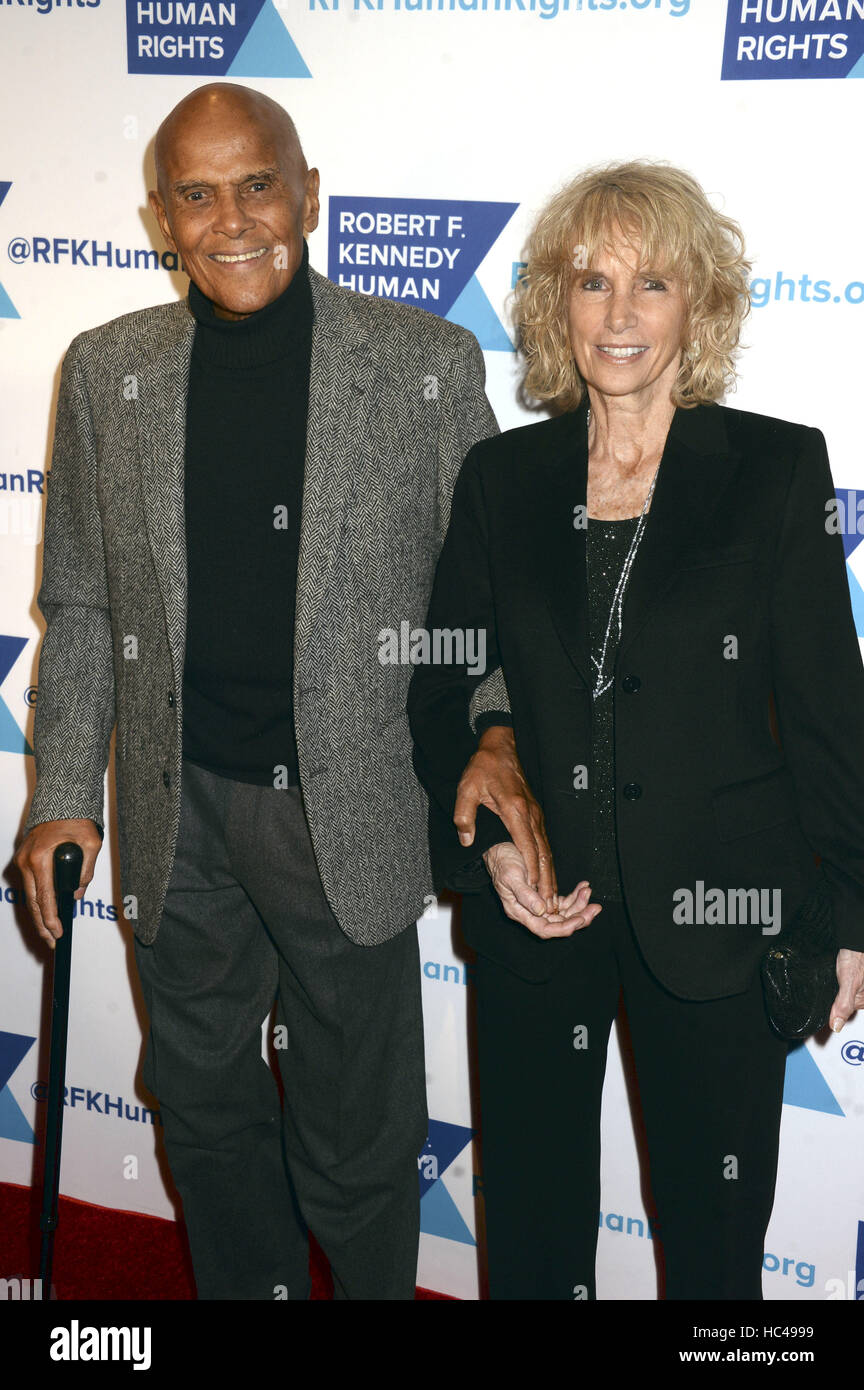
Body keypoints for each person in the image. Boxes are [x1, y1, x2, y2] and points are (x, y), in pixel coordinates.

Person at [13, 82, 543, 1301]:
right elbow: (85, 603)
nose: (232, 217)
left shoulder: (422, 363)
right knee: (201, 1107)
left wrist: (495, 727)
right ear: (162, 220)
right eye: (196, 194)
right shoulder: (107, 372)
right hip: (176, 802)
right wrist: (57, 789)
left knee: (357, 1132)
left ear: (309, 190)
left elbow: (490, 596)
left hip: (344, 806)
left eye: (258, 183)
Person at [407, 160, 864, 1300]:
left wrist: (850, 908)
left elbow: (828, 708)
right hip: (540, 908)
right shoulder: (502, 476)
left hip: (721, 915)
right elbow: (445, 682)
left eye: (651, 283)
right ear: (556, 304)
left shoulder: (774, 467)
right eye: (591, 280)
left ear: (697, 304)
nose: (618, 313)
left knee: (715, 1250)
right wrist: (489, 845)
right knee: (534, 1226)